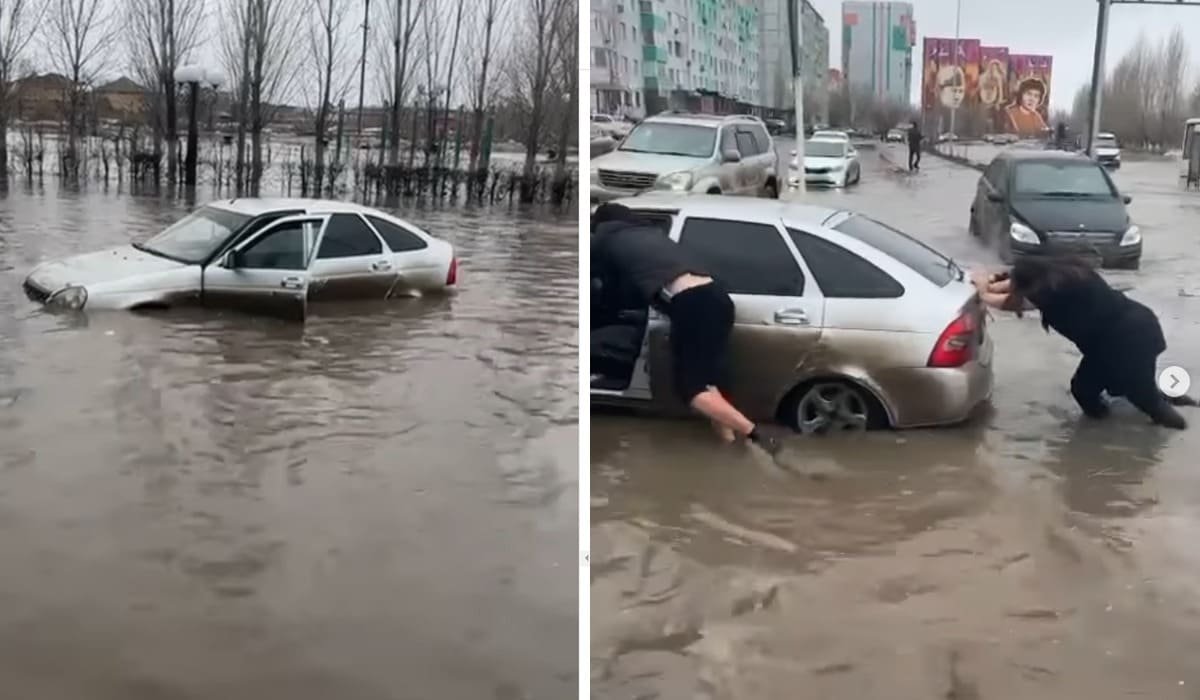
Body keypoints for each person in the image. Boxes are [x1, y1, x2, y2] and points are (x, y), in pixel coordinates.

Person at [591, 203, 783, 453]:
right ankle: (732, 448)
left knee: (692, 391)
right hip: (718, 297)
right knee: (709, 384)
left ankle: (758, 436)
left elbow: (607, 289)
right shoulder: (651, 235)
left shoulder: (606, 240)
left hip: (692, 304)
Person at [971, 256, 1194, 429]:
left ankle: (1173, 431)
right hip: (1139, 326)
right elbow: (1014, 284)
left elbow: (1007, 302)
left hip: (1123, 343)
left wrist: (980, 292)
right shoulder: (1065, 273)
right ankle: (1178, 405)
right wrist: (989, 281)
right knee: (1134, 387)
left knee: (1105, 393)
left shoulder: (1050, 292)